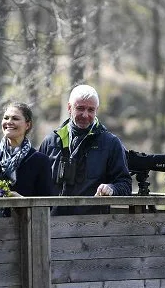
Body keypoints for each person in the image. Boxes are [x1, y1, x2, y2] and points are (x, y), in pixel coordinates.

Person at [38, 84, 131, 215]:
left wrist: (111, 188)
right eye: (80, 108)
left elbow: (125, 184)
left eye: (91, 110)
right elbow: (37, 184)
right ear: (69, 108)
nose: (85, 114)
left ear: (96, 110)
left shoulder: (110, 143)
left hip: (92, 227)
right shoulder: (51, 141)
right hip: (52, 225)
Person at [0, 102, 53, 218]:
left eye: (15, 118)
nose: (9, 122)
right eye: (6, 118)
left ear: (28, 125)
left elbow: (46, 203)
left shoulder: (40, 160)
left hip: (24, 226)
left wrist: (22, 201)